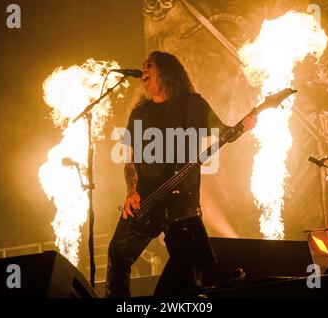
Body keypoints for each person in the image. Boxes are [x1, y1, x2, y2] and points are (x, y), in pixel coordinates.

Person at [105, 51, 257, 297]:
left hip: (181, 200)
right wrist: (131, 192)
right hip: (145, 199)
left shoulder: (193, 105)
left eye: (149, 66)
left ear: (165, 71)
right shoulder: (139, 113)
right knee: (117, 254)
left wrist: (245, 125)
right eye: (143, 66)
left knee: (187, 266)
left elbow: (225, 132)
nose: (143, 69)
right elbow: (129, 161)